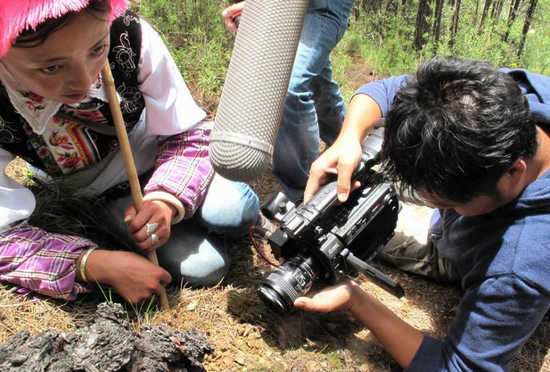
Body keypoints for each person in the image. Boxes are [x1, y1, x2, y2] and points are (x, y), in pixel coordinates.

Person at [297, 57, 550, 371]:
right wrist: (349, 137)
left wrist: (355, 299)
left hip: (489, 252)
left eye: (444, 202)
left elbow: (459, 367)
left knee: (358, 230)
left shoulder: (517, 265)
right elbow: (384, 91)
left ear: (514, 172)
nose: (430, 204)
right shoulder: (497, 96)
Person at [0, 0, 259, 304]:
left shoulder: (128, 36)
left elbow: (187, 133)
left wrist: (165, 201)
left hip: (158, 155)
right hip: (97, 194)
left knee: (235, 212)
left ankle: (233, 217)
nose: (84, 80)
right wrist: (93, 265)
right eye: (52, 67)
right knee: (206, 267)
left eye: (97, 50)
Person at [222, 0, 353, 201]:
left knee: (287, 87)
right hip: (283, 6)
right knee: (318, 84)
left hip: (322, 5)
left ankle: (307, 194)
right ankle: (348, 144)